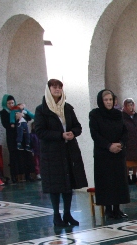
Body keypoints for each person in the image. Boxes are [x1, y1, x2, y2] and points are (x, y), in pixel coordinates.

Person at [33, 78, 87, 227]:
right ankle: (56, 215)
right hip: (52, 153)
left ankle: (68, 214)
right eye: (54, 87)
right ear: (49, 89)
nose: (57, 89)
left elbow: (78, 126)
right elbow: (40, 131)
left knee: (68, 184)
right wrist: (60, 135)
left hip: (68, 151)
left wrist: (72, 133)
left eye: (59, 87)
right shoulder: (41, 110)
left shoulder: (67, 108)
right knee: (55, 186)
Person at [90, 89, 130, 220]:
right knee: (106, 182)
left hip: (118, 152)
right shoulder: (95, 114)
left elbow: (125, 131)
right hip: (103, 154)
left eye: (111, 99)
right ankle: (108, 209)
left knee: (118, 181)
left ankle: (117, 209)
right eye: (106, 100)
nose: (109, 102)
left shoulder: (118, 114)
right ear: (101, 101)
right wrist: (109, 146)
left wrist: (121, 144)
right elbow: (95, 134)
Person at [0, 94, 34, 183]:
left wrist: (22, 115)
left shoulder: (18, 109)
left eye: (12, 103)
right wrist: (15, 119)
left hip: (23, 135)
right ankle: (14, 176)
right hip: (12, 137)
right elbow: (5, 124)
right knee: (14, 156)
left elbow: (29, 117)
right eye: (8, 103)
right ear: (5, 104)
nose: (11, 105)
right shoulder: (3, 112)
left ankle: (28, 175)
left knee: (25, 154)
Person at [122, 98, 137, 184]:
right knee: (128, 161)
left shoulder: (136, 116)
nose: (130, 107)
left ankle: (134, 175)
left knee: (136, 160)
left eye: (131, 105)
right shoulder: (122, 116)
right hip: (128, 142)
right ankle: (127, 176)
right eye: (128, 105)